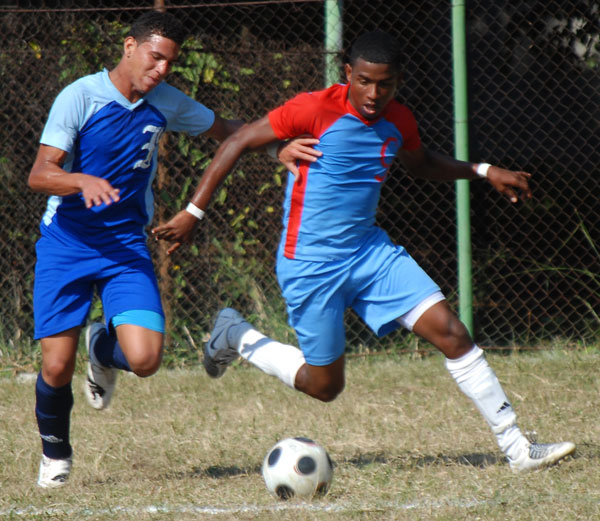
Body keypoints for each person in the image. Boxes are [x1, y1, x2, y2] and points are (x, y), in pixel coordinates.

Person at [153, 30, 575, 473]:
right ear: (348, 74)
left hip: (369, 254)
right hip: (310, 265)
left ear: (398, 82)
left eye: (386, 84)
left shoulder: (400, 120)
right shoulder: (313, 108)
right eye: (366, 82)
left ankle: (517, 449)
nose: (374, 94)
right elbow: (238, 140)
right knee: (324, 387)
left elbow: (420, 163)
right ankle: (236, 336)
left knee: (451, 332)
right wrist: (192, 213)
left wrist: (483, 170)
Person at [27, 11, 318, 489]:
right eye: (155, 56)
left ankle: (102, 345)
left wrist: (276, 148)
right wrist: (80, 179)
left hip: (124, 248)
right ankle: (55, 454)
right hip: (68, 245)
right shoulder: (79, 97)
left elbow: (226, 129)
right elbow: (40, 174)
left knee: (144, 360)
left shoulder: (165, 102)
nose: (161, 69)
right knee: (56, 367)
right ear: (129, 46)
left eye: (169, 62)